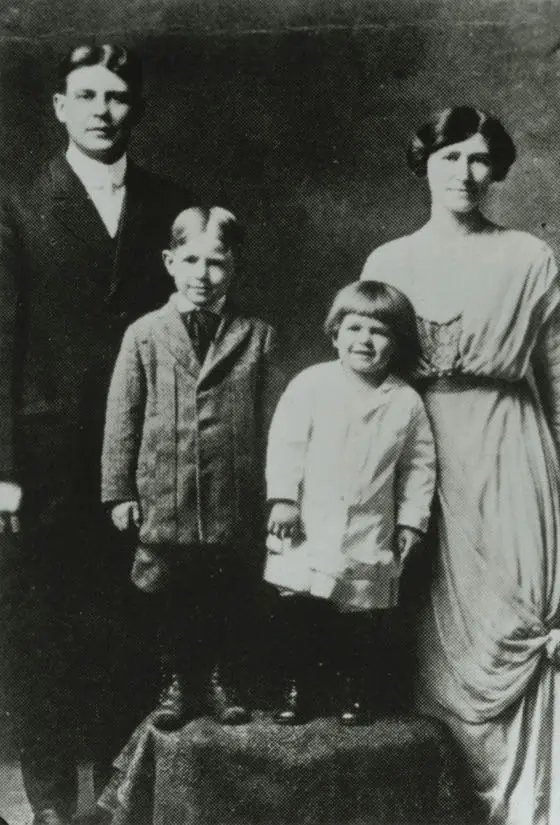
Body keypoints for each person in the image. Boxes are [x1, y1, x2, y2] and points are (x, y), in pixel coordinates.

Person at [0, 43, 190, 825]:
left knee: (128, 626)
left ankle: (121, 801)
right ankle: (50, 805)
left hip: (145, 451)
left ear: (135, 107)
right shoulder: (14, 205)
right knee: (43, 632)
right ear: (59, 107)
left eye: (117, 96)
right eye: (87, 96)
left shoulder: (170, 205)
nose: (103, 110)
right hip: (47, 460)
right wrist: (2, 467)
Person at [361, 106, 560, 824]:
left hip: (510, 449)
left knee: (510, 615)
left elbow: (557, 375)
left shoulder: (529, 258)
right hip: (417, 447)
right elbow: (367, 377)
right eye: (449, 158)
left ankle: (528, 806)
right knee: (428, 623)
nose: (465, 173)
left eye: (479, 159)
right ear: (424, 164)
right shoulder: (388, 262)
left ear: (497, 168)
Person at [102, 206, 277, 732]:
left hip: (233, 491)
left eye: (217, 262)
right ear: (169, 262)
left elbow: (275, 421)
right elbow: (122, 415)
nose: (203, 275)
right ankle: (178, 684)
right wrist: (117, 492)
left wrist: (280, 493)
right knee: (171, 593)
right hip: (165, 493)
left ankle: (222, 682)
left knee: (226, 589)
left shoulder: (257, 336)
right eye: (191, 260)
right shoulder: (144, 334)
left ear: (235, 266)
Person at [264, 280, 435, 725]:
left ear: (396, 343)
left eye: (379, 332)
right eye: (354, 328)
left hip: (369, 526)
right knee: (301, 609)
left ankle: (354, 693)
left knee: (359, 619)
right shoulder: (312, 384)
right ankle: (297, 688)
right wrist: (283, 499)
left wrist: (411, 522)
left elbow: (418, 467)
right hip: (309, 523)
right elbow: (286, 443)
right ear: (335, 333)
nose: (365, 340)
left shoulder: (405, 401)